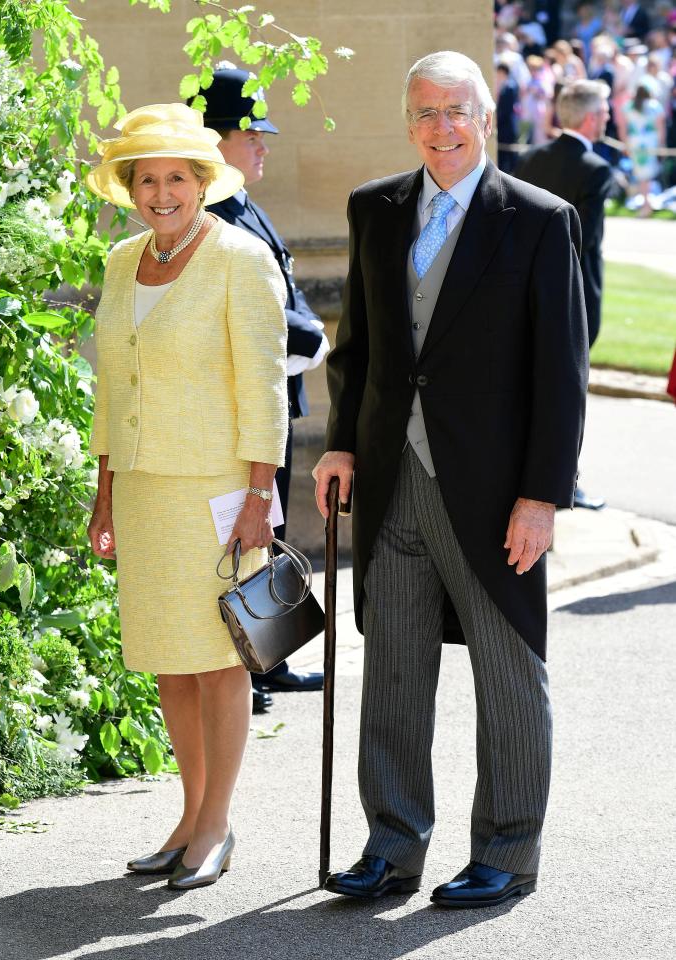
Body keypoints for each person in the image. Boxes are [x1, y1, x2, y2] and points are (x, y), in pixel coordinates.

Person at [313, 50, 588, 909]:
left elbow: (560, 372)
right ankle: (391, 847)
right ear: (408, 121)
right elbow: (355, 348)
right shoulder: (374, 209)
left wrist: (541, 496)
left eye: (456, 111)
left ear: (485, 118)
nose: (441, 128)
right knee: (392, 671)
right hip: (393, 480)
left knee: (508, 676)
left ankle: (507, 850)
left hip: (495, 495)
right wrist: (341, 443)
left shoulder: (539, 219)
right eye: (426, 113)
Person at [86, 103, 289, 890]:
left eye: (177, 177)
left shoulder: (239, 258)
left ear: (203, 182)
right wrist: (105, 492)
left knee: (218, 660)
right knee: (170, 663)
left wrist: (257, 496)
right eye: (148, 179)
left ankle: (216, 825)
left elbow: (265, 386)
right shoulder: (121, 260)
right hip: (141, 488)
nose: (161, 192)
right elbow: (112, 385)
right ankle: (188, 813)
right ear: (130, 189)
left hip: (217, 488)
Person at [195, 65, 327, 704]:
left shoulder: (243, 202)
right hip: (241, 405)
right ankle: (237, 668)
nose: (265, 145)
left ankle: (265, 659)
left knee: (267, 531)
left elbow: (285, 288)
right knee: (240, 534)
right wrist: (306, 337)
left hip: (276, 396)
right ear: (217, 141)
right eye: (252, 136)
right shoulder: (210, 214)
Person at [515, 80, 611, 510]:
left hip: (522, 293)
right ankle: (565, 483)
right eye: (605, 111)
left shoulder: (530, 158)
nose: (608, 117)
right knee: (567, 393)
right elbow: (584, 241)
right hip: (574, 299)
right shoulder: (595, 167)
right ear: (591, 117)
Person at [616, 81, 667, 215]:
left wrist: (625, 143)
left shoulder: (628, 106)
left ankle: (646, 204)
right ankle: (646, 204)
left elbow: (623, 128)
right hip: (650, 142)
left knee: (642, 175)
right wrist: (661, 144)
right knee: (646, 176)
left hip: (635, 143)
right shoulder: (654, 106)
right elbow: (660, 128)